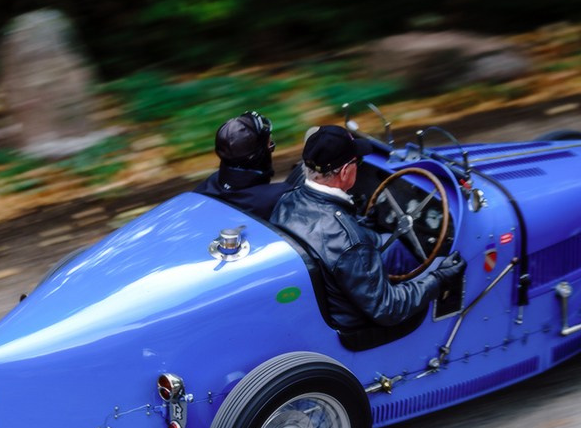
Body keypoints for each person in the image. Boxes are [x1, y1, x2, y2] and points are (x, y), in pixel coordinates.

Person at [270, 125, 465, 330]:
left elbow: (332, 238)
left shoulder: (288, 200)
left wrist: (361, 225)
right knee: (442, 264)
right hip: (355, 321)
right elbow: (388, 308)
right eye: (357, 162)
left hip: (329, 289)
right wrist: (439, 279)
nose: (359, 166)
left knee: (392, 242)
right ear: (345, 171)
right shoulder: (351, 243)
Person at [193, 111, 302, 218]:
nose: (271, 146)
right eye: (270, 145)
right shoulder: (280, 196)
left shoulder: (210, 183)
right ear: (259, 156)